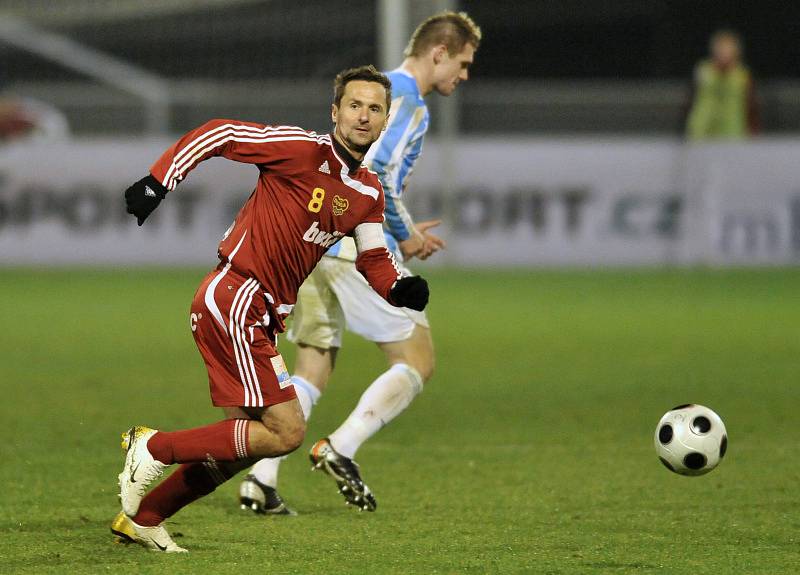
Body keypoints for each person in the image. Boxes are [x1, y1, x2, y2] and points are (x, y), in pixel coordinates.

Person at [110, 65, 430, 553]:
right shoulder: (301, 149)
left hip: (263, 312)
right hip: (237, 295)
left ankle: (147, 517)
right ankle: (152, 447)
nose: (363, 116)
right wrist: (159, 181)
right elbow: (219, 132)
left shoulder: (367, 192)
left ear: (385, 120)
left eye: (375, 108)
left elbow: (373, 261)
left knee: (245, 443)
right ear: (335, 112)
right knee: (286, 432)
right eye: (354, 105)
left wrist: (400, 291)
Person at [239, 11, 480, 515]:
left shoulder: (370, 91)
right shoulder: (405, 105)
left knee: (314, 359)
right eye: (462, 62)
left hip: (314, 241)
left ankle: (259, 481)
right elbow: (375, 173)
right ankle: (341, 447)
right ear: (439, 53)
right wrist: (405, 234)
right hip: (353, 243)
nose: (463, 75)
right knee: (417, 359)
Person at [686, 29, 759, 140]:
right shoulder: (702, 71)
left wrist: (752, 131)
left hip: (731, 132)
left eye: (728, 50)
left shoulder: (742, 75)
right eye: (721, 49)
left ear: (736, 52)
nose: (724, 54)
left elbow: (751, 107)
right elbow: (690, 101)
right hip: (702, 131)